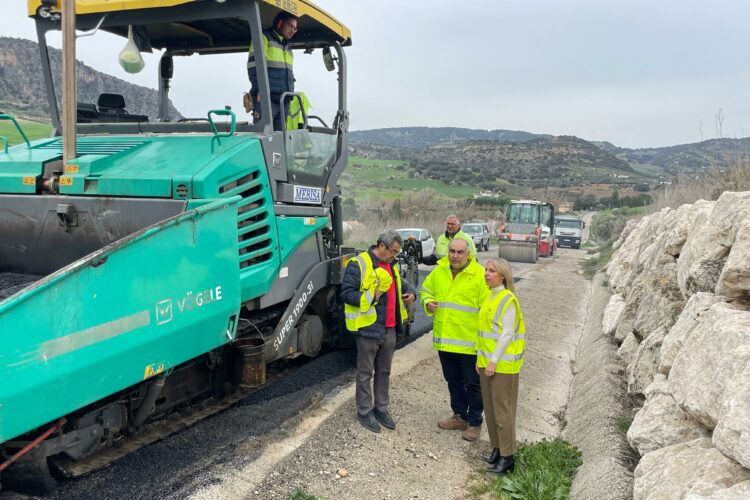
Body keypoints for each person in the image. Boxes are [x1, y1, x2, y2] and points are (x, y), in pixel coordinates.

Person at [340, 230, 417, 433]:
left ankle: (381, 408)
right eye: (393, 251)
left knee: (384, 371)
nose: (395, 256)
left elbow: (400, 283)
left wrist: (412, 294)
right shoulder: (358, 264)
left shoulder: (390, 264)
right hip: (368, 328)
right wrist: (371, 296)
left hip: (389, 328)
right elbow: (347, 294)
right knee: (365, 373)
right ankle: (365, 411)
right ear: (382, 246)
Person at [420, 239, 489, 441]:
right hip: (446, 340)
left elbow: (487, 311)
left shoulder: (479, 276)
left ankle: (475, 422)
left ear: (468, 254)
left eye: (460, 252)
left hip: (470, 343)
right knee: (453, 381)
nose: (455, 255)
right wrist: (427, 302)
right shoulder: (439, 271)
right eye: (452, 251)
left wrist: (484, 345)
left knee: (473, 384)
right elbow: (425, 290)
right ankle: (459, 416)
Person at [476, 258, 526, 475]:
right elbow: (484, 333)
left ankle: (507, 458)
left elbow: (506, 334)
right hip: (486, 364)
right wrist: (480, 359)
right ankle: (496, 449)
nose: (486, 274)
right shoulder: (490, 296)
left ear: (502, 275)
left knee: (503, 412)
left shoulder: (508, 299)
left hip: (502, 367)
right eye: (486, 270)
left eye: (492, 271)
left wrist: (493, 361)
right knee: (490, 409)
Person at [247, 11, 297, 130]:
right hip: (267, 99)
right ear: (280, 23)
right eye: (290, 26)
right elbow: (253, 67)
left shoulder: (288, 48)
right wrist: (260, 90)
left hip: (284, 101)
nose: (292, 31)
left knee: (280, 140)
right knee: (264, 134)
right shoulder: (264, 38)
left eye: (295, 29)